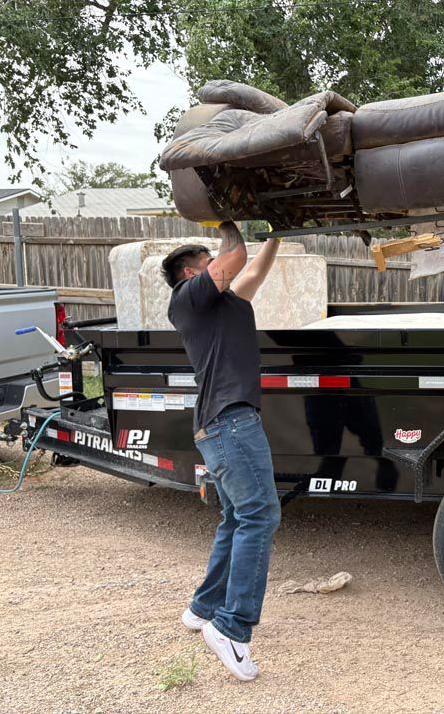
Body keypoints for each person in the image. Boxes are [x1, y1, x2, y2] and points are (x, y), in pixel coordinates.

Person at [160, 222, 281, 682]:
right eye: (211, 262)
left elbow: (252, 270)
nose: (221, 265)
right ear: (194, 272)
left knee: (237, 518)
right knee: (260, 516)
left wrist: (278, 235)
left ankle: (202, 608)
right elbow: (235, 253)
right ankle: (230, 629)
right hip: (230, 423)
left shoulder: (224, 305)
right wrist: (229, 219)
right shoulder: (189, 298)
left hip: (223, 426)